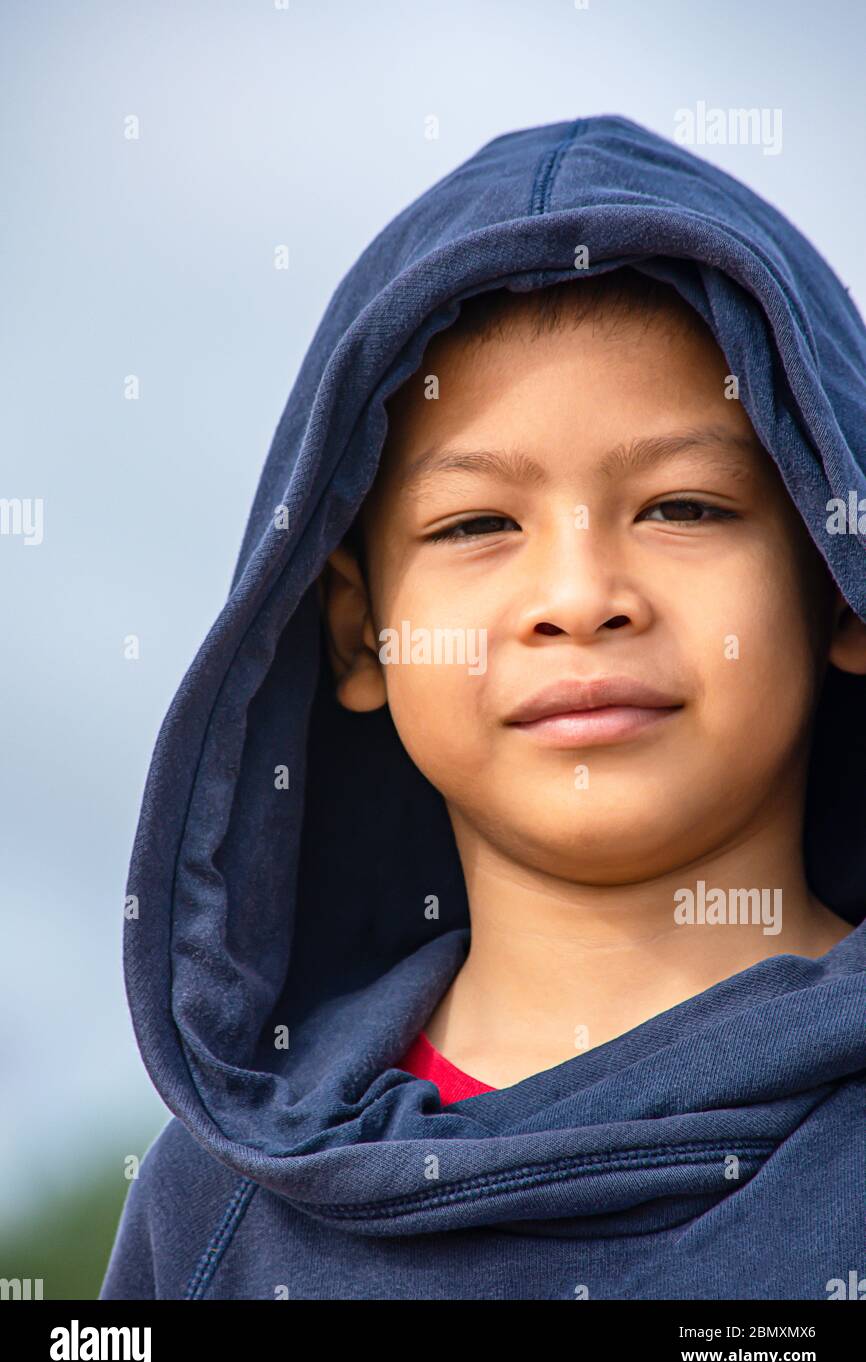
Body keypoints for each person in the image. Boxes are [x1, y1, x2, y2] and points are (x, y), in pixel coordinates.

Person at [101, 115, 866, 1301]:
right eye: (475, 526)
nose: (577, 598)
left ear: (835, 578)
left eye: (681, 507)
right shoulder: (216, 1207)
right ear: (361, 632)